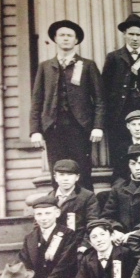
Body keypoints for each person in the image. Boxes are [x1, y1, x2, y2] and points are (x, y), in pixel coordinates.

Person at [30, 20, 105, 190]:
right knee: (57, 171)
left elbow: (100, 99)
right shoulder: (45, 67)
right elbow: (37, 101)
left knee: (82, 171)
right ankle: (61, 211)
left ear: (76, 40)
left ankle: (86, 212)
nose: (65, 39)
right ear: (55, 39)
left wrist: (97, 126)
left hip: (80, 127)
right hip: (53, 128)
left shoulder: (87, 65)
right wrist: (35, 130)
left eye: (69, 35)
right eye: (61, 35)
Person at [102, 14, 140, 166]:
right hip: (120, 112)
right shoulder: (114, 58)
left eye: (138, 35)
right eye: (131, 34)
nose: (135, 38)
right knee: (121, 149)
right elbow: (104, 88)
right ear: (124, 35)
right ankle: (121, 183)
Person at [46, 159, 99, 256]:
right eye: (61, 175)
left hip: (77, 245)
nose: (65, 179)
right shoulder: (50, 197)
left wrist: (85, 245)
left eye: (70, 175)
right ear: (55, 177)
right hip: (54, 245)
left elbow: (92, 223)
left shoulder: (87, 196)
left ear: (77, 177)